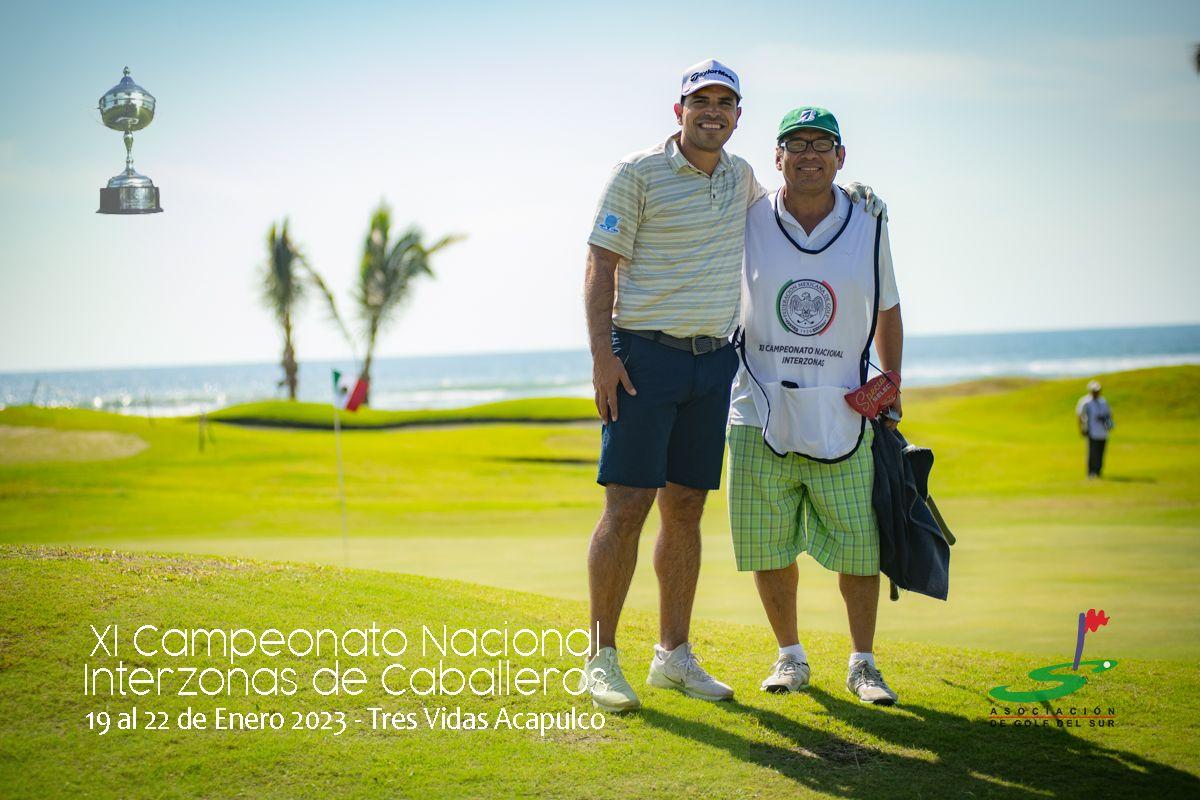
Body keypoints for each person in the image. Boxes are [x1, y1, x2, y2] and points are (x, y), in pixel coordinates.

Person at [580, 62, 886, 712]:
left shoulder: (741, 178)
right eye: (701, 101)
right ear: (680, 110)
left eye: (724, 102)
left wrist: (856, 192)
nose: (712, 111)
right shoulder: (638, 172)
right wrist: (602, 356)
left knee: (685, 509)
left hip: (712, 362)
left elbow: (798, 198)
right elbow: (600, 261)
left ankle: (673, 655)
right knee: (627, 507)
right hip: (642, 357)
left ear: (738, 116)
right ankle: (600, 659)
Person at [727, 107, 904, 706]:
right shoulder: (747, 215)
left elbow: (887, 307)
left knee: (861, 545)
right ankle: (790, 656)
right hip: (758, 408)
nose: (809, 154)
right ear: (777, 157)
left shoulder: (868, 221)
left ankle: (863, 664)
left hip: (845, 410)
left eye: (821, 143)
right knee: (768, 544)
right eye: (795, 144)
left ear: (840, 157)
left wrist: (892, 384)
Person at [1076, 380, 1114, 478]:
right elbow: (1080, 416)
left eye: (1098, 391)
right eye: (1094, 391)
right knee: (1092, 453)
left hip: (1103, 431)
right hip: (1092, 431)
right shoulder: (1085, 402)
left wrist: (1108, 423)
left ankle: (1098, 471)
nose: (1096, 392)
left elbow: (1109, 414)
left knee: (1101, 452)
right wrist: (1081, 429)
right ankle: (1091, 472)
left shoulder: (1103, 401)